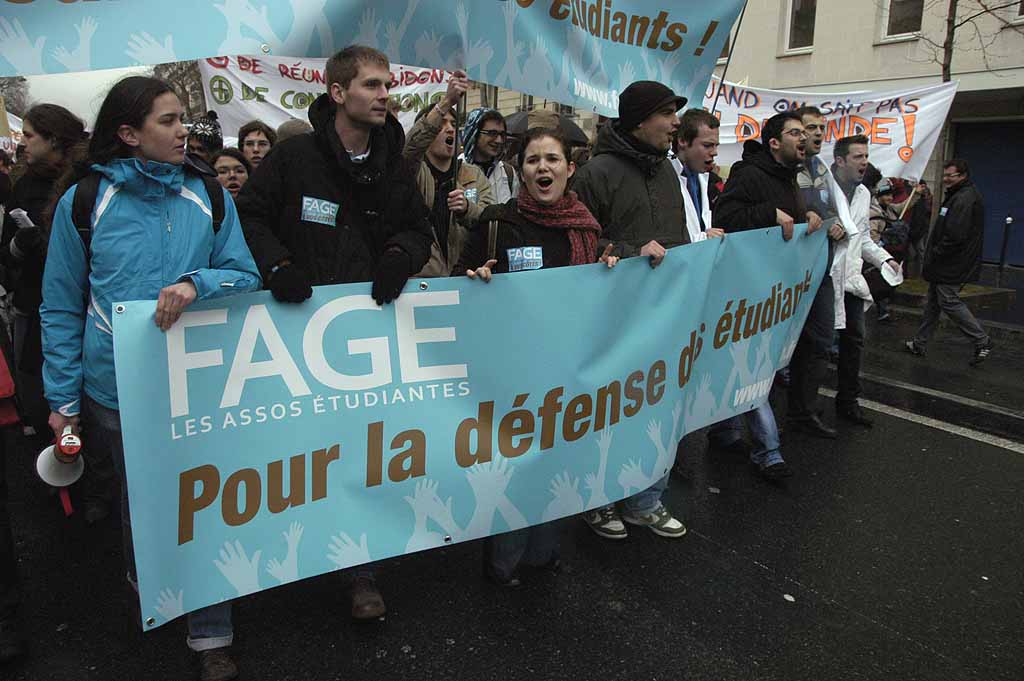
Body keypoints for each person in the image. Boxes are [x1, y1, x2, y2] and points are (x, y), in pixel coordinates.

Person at [40, 76, 261, 681]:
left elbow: (244, 273)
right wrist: (62, 399)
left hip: (200, 382)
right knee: (147, 503)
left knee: (203, 497)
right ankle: (155, 582)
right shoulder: (84, 203)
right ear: (129, 133)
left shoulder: (209, 194)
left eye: (182, 118)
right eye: (167, 120)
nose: (182, 129)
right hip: (115, 392)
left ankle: (211, 631)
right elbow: (60, 304)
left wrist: (197, 283)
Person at [235, 45, 433, 620]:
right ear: (337, 92)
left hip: (363, 335)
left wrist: (400, 253)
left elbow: (417, 230)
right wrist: (276, 266)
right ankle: (285, 554)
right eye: (371, 85)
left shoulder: (394, 164)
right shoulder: (294, 157)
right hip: (294, 331)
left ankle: (359, 571)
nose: (384, 95)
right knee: (298, 455)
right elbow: (249, 215)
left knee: (358, 453)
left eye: (387, 85)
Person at [456, 127, 616, 584]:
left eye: (551, 159)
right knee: (516, 465)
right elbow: (457, 278)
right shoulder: (496, 223)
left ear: (569, 167)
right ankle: (502, 562)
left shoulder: (586, 226)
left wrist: (613, 260)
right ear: (520, 168)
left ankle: (543, 553)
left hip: (567, 365)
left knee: (556, 462)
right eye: (532, 160)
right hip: (512, 369)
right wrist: (476, 277)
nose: (542, 168)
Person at [572, 80, 689, 540]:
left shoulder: (667, 171)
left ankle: (646, 500)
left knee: (662, 405)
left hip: (666, 311)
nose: (676, 122)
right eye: (667, 113)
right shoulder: (596, 173)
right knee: (610, 411)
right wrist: (627, 249)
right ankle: (597, 500)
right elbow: (581, 242)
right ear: (640, 119)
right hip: (615, 318)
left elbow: (676, 236)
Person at [0, 105, 116, 521]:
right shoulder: (23, 186)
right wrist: (20, 246)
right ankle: (70, 476)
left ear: (54, 140)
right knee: (51, 400)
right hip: (39, 307)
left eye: (30, 135)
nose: (23, 143)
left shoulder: (92, 188)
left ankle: (100, 487)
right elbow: (7, 254)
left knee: (99, 409)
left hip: (93, 315)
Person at [712, 112, 817, 480]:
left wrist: (811, 220)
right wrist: (767, 213)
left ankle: (724, 430)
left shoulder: (792, 178)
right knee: (754, 369)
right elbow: (725, 217)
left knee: (749, 366)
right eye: (794, 133)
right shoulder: (749, 173)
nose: (803, 139)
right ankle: (768, 451)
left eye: (804, 133)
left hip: (773, 292)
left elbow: (789, 226)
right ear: (774, 142)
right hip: (745, 291)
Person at [784, 106, 846, 439]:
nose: (818, 134)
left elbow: (833, 211)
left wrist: (837, 226)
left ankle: (803, 410)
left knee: (820, 340)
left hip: (819, 268)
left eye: (822, 128)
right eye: (810, 128)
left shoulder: (821, 167)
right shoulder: (785, 170)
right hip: (790, 273)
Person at [829, 135, 900, 427]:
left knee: (854, 341)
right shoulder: (820, 190)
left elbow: (864, 239)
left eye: (866, 156)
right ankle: (801, 409)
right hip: (825, 279)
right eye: (858, 156)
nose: (865, 162)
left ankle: (848, 401)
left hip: (853, 280)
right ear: (840, 160)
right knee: (816, 347)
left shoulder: (863, 194)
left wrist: (884, 259)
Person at [404, 69, 493, 276]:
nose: (450, 129)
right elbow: (410, 149)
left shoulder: (474, 176)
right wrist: (446, 102)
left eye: (454, 124)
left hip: (466, 278)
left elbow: (489, 221)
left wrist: (466, 209)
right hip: (423, 282)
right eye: (441, 124)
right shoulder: (414, 172)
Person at [905, 159, 993, 365]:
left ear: (962, 176)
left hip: (952, 262)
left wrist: (935, 252)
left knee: (948, 300)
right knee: (933, 303)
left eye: (949, 176)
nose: (945, 180)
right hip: (946, 261)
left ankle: (982, 340)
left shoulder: (964, 198)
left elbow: (955, 235)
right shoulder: (958, 195)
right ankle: (920, 342)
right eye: (944, 176)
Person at [671, 108, 725, 243]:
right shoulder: (664, 179)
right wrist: (704, 237)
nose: (715, 153)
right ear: (682, 141)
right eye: (707, 145)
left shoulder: (702, 179)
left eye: (716, 146)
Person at [461, 108, 518, 203]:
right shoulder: (455, 169)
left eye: (502, 134)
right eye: (492, 133)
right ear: (474, 133)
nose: (498, 140)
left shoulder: (508, 173)